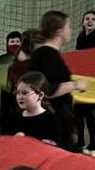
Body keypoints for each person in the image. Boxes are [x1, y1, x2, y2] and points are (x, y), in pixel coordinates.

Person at [28, 12, 86, 150]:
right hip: (53, 122)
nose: (70, 30)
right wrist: (75, 85)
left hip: (53, 119)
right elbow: (46, 89)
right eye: (68, 27)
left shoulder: (46, 53)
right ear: (59, 32)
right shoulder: (47, 55)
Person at [73, 9, 95, 150]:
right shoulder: (80, 37)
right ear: (82, 22)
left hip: (90, 79)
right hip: (80, 77)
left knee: (87, 111)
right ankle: (81, 140)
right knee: (78, 111)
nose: (90, 21)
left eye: (93, 19)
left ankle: (94, 142)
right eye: (87, 19)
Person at [4, 72, 62, 144]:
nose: (20, 97)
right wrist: (13, 140)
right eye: (18, 93)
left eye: (25, 93)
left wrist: (51, 144)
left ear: (40, 95)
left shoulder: (52, 120)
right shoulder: (13, 118)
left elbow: (60, 145)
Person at [0, 30, 34, 134]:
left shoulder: (30, 60)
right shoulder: (1, 60)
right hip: (7, 93)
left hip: (22, 94)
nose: (15, 44)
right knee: (6, 116)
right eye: (12, 41)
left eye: (17, 41)